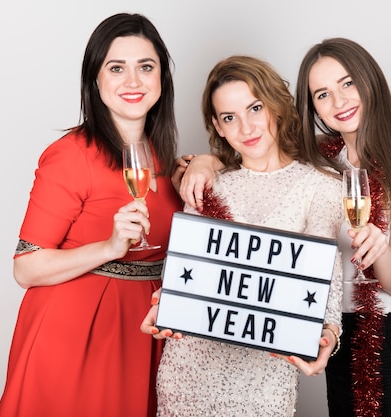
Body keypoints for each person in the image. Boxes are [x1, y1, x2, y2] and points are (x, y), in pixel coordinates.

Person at [179, 38, 391, 417]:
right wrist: (205, 163)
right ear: (311, 104)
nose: (339, 102)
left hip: (384, 347)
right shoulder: (325, 155)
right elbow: (258, 149)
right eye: (322, 94)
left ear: (371, 82)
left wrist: (380, 249)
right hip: (333, 338)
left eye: (348, 84)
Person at [0, 13, 182, 417]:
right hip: (77, 336)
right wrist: (110, 247)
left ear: (161, 80)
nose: (133, 81)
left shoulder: (165, 157)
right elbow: (26, 268)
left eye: (145, 67)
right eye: (117, 68)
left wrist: (207, 165)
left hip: (144, 331)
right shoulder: (70, 156)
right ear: (95, 81)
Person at [141, 55, 344, 417]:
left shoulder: (320, 185)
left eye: (255, 108)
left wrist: (329, 330)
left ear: (276, 107)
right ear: (218, 127)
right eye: (230, 118)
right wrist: (164, 306)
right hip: (187, 372)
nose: (247, 127)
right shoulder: (205, 182)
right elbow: (186, 268)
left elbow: (326, 268)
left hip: (265, 380)